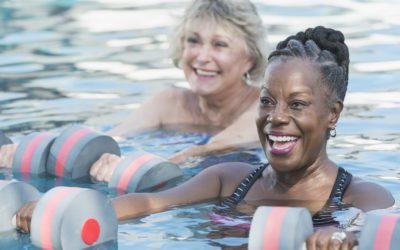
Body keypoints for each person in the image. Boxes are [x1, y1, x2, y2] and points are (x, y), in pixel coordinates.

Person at [16, 26, 395, 249]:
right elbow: (150, 203)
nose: (276, 117)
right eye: (267, 101)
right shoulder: (229, 179)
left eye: (297, 105)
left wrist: (339, 236)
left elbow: (368, 227)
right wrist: (64, 208)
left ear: (333, 114)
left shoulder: (362, 196)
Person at [0, 0, 268, 180]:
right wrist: (36, 152)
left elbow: (203, 152)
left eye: (220, 45)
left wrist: (131, 167)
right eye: (193, 41)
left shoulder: (266, 107)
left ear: (250, 58)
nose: (202, 56)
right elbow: (113, 138)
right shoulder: (169, 101)